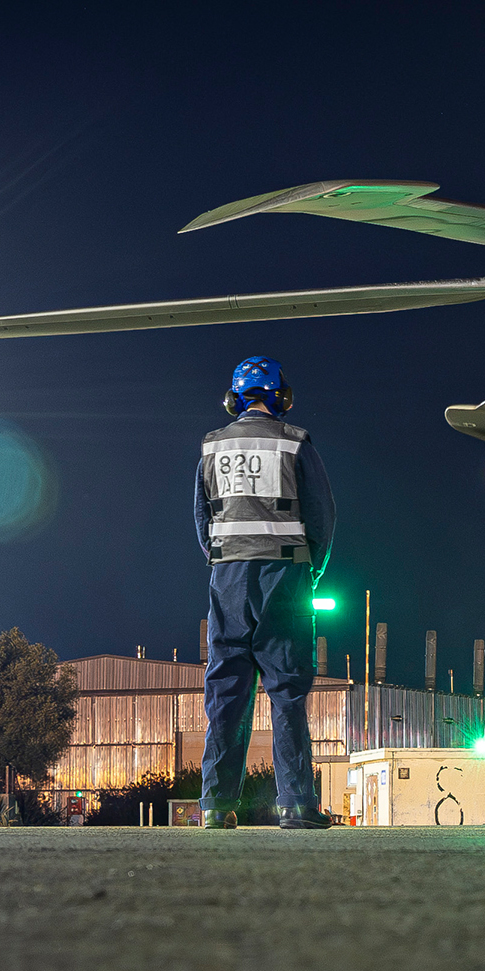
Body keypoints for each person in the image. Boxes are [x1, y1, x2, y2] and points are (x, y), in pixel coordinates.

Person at [194, 356, 336, 830]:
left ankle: (215, 807)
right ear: (281, 396)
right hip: (284, 576)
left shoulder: (212, 446)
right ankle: (296, 806)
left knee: (228, 692)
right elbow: (321, 517)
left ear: (234, 399)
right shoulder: (296, 442)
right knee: (287, 691)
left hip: (228, 580)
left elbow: (202, 520)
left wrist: (225, 563)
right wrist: (310, 570)